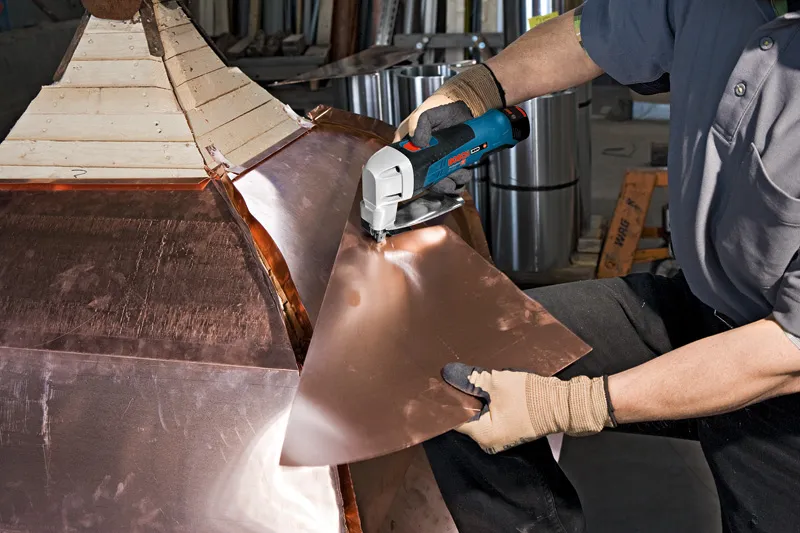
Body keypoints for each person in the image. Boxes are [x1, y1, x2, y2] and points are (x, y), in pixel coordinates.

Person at [400, 2, 800, 532]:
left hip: (779, 364)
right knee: (454, 362)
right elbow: (603, 29)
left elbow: (788, 350)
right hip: (704, 300)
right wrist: (479, 89)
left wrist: (572, 404)